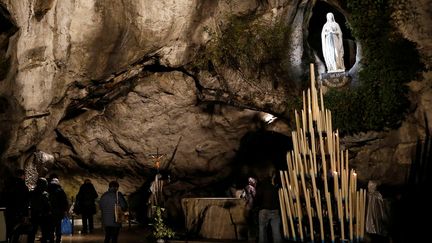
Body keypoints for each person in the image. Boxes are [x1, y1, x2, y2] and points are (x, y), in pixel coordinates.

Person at [4, 169, 31, 243]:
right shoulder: (23, 187)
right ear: (22, 176)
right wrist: (25, 215)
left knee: (8, 230)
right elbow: (26, 202)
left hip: (8, 212)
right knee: (17, 231)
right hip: (19, 213)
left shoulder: (8, 185)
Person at [254, 174, 282, 243]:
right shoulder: (274, 188)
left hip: (264, 210)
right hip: (275, 210)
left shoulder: (261, 187)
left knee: (262, 230)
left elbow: (257, 199)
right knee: (276, 232)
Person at [28, 177, 52, 243]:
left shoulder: (32, 192)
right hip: (43, 215)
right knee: (44, 232)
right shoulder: (45, 194)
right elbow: (47, 205)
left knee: (33, 231)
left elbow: (29, 202)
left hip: (34, 214)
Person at [47, 175, 69, 243]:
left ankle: (51, 239)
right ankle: (58, 239)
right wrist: (65, 210)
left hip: (50, 212)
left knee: (51, 226)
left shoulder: (47, 190)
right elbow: (65, 202)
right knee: (58, 226)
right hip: (59, 212)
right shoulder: (60, 191)